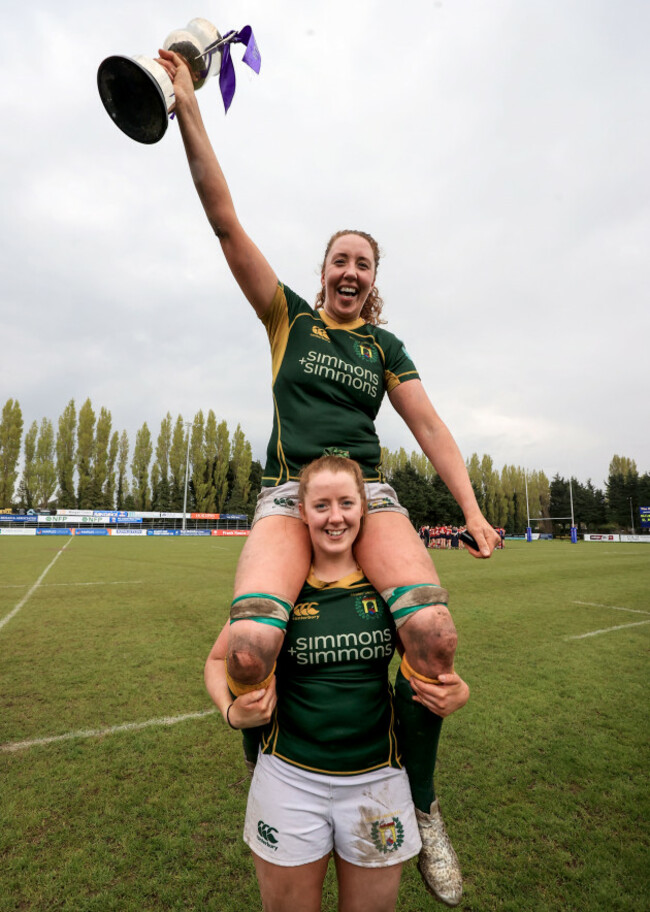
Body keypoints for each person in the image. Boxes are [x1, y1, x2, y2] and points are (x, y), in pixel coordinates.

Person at [156, 47, 499, 904]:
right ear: (321, 273)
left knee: (435, 639)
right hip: (285, 496)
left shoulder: (385, 347)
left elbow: (429, 426)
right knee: (253, 645)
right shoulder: (288, 320)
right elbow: (225, 221)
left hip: (369, 496)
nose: (350, 271)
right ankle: (264, 767)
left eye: (364, 264)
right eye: (339, 259)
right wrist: (189, 106)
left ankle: (421, 809)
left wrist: (473, 508)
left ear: (374, 282)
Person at [205, 456, 470, 912]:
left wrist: (457, 692)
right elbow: (216, 660)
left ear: (363, 508)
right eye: (322, 505)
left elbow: (424, 669)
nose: (335, 517)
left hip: (378, 780)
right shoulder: (280, 588)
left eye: (346, 503)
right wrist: (230, 712)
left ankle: (429, 816)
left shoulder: (386, 585)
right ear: (302, 512)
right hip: (288, 778)